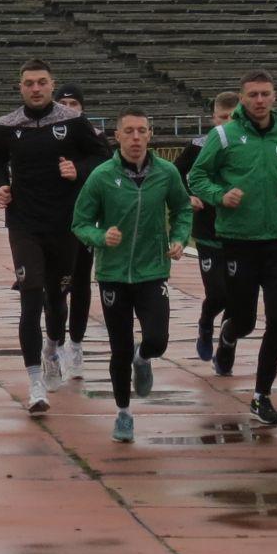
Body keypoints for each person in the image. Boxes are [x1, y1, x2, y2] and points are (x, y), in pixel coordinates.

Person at [0, 59, 109, 413]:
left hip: (65, 223)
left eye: (42, 82)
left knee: (57, 302)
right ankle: (35, 383)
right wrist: (0, 185)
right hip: (24, 223)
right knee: (29, 301)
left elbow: (101, 155)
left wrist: (79, 169)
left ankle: (53, 346)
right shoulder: (9, 125)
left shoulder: (71, 121)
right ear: (20, 87)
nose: (36, 89)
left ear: (51, 85)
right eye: (29, 83)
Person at [185, 69, 277, 426]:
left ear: (275, 96)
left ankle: (261, 395)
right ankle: (228, 334)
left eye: (266, 93)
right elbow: (196, 176)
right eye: (253, 95)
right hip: (238, 242)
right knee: (245, 319)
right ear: (243, 98)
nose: (260, 101)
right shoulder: (224, 135)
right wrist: (220, 196)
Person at [71, 109, 190, 442]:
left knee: (157, 339)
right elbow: (79, 222)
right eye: (129, 131)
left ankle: (144, 358)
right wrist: (100, 237)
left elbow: (182, 208)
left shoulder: (166, 173)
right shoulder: (102, 176)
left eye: (142, 131)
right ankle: (123, 413)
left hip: (153, 271)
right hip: (113, 274)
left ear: (150, 135)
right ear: (117, 136)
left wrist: (180, 238)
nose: (136, 137)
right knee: (119, 348)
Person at [172, 91, 238, 361]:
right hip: (208, 232)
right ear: (213, 118)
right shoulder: (198, 146)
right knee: (218, 294)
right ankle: (205, 323)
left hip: (239, 233)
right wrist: (188, 195)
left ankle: (227, 347)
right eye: (222, 118)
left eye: (232, 118)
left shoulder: (244, 145)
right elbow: (175, 173)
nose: (226, 123)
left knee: (237, 299)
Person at [56, 85, 97, 381]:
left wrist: (78, 170)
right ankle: (55, 342)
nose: (69, 107)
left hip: (83, 220)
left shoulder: (92, 134)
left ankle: (76, 344)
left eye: (74, 103)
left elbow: (105, 162)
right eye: (64, 102)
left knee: (82, 282)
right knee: (56, 286)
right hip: (52, 221)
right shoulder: (44, 131)